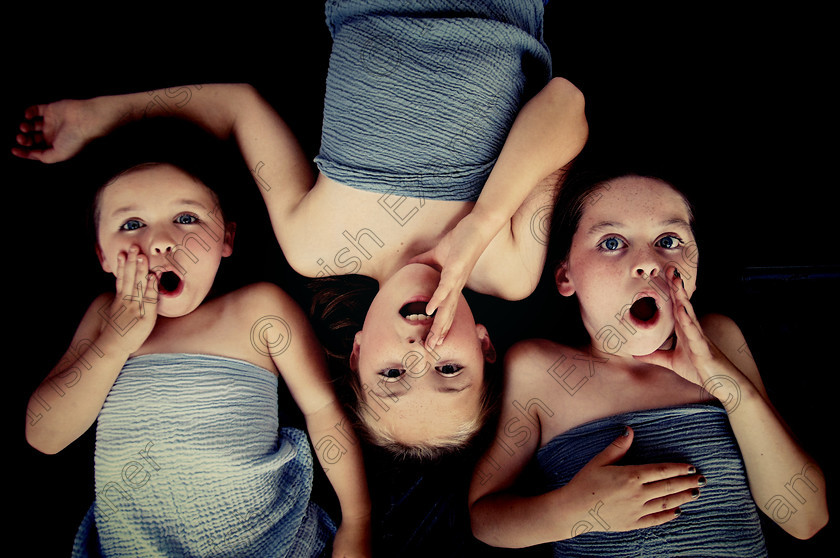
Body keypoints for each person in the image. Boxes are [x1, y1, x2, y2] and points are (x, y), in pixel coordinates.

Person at [13, 0, 589, 457]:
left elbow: (240, 109)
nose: (421, 351)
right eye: (448, 371)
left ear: (358, 351)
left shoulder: (316, 248)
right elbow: (565, 102)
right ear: (485, 346)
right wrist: (481, 225)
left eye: (392, 374)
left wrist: (100, 116)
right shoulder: (508, 268)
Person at [467, 169, 829, 555]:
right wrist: (576, 512)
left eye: (668, 240)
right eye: (611, 242)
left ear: (696, 268)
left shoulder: (719, 339)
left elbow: (805, 518)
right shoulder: (539, 370)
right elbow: (485, 518)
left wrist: (733, 391)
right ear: (565, 275)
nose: (647, 263)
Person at [22, 161, 371, 557]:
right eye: (132, 224)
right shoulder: (105, 318)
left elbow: (323, 410)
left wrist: (357, 519)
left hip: (267, 537)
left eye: (186, 218)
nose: (160, 242)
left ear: (226, 237)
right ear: (103, 254)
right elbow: (44, 435)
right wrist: (115, 344)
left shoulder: (259, 311)